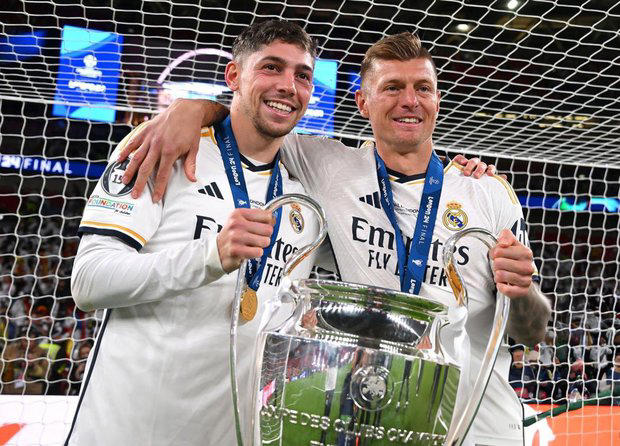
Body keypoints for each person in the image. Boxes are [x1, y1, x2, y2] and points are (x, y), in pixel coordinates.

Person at [116, 32, 551, 445]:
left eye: (423, 88)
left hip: (478, 425)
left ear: (437, 99)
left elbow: (532, 331)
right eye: (393, 88)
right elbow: (254, 118)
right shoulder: (327, 166)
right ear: (362, 102)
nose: (410, 100)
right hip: (375, 422)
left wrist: (521, 289)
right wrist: (190, 109)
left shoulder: (488, 193)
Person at [67, 20, 323, 445]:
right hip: (126, 431)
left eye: (303, 75)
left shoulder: (305, 199)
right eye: (271, 67)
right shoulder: (162, 147)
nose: (288, 85)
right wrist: (210, 256)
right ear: (233, 76)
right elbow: (89, 281)